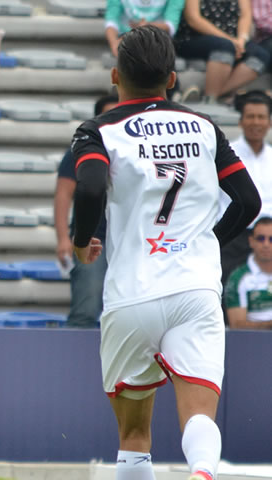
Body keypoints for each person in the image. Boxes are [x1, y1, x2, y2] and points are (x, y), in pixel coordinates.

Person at [71, 25, 260, 480]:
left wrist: (81, 241)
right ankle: (203, 471)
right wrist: (206, 239)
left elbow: (91, 185)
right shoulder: (204, 127)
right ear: (172, 79)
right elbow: (249, 202)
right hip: (194, 289)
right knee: (199, 414)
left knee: (134, 436)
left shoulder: (100, 130)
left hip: (132, 293)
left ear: (115, 76)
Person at [53, 93, 119, 328]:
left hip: (132, 241)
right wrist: (63, 238)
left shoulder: (139, 150)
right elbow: (63, 194)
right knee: (86, 310)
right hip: (92, 239)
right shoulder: (81, 149)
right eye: (109, 115)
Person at [218, 91, 272, 291]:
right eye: (250, 116)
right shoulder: (226, 155)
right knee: (225, 289)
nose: (256, 122)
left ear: (269, 122)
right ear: (240, 121)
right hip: (236, 234)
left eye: (261, 117)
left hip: (270, 235)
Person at [173, 0, 269, 104]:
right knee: (224, 47)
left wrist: (241, 40)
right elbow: (193, 19)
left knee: (261, 55)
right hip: (194, 38)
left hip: (234, 40)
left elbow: (245, 15)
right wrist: (230, 41)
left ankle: (212, 96)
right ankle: (211, 98)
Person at [224, 216, 272, 329]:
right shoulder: (237, 278)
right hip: (253, 339)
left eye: (271, 239)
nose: (266, 244)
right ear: (251, 241)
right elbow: (236, 325)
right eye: (261, 238)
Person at [104, 0, 185, 58]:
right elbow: (111, 21)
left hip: (158, 37)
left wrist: (146, 26)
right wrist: (114, 44)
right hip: (126, 37)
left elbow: (171, 26)